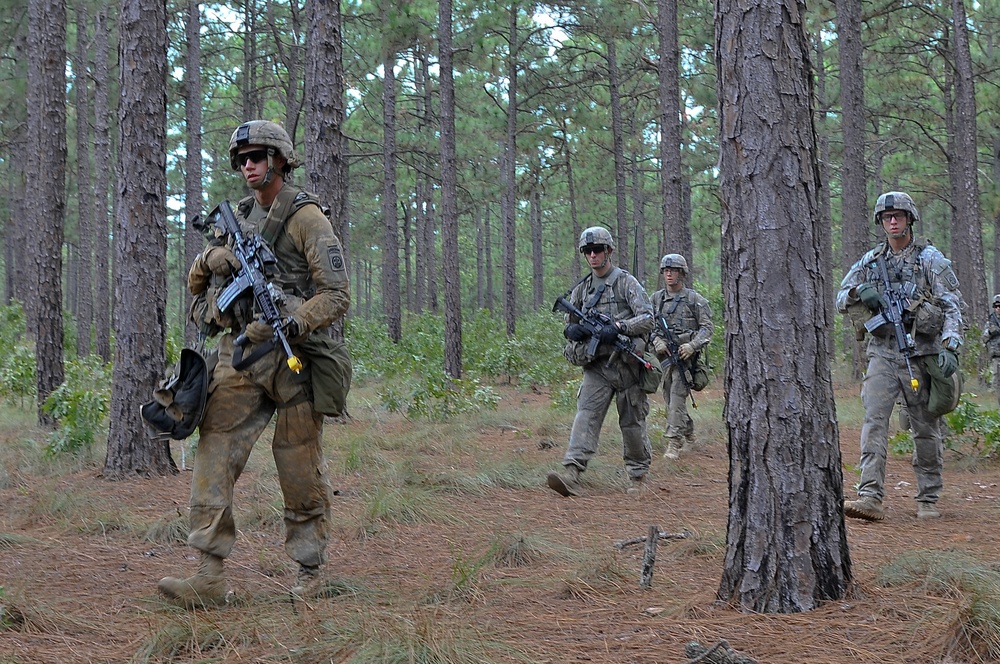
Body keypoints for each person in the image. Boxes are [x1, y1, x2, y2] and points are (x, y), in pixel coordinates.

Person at [158, 120, 351, 607]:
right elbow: (198, 286)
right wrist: (212, 260)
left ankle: (310, 571)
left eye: (258, 157)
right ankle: (207, 574)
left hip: (294, 358)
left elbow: (336, 295)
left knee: (299, 465)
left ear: (280, 159)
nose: (248, 166)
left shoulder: (308, 218)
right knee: (213, 453)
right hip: (240, 354)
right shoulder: (235, 218)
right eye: (242, 159)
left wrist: (294, 323)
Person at [837, 191, 962, 522]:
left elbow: (951, 304)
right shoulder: (870, 261)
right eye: (887, 216)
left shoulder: (930, 260)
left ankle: (928, 497)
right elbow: (840, 297)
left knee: (925, 427)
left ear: (910, 219)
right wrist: (857, 291)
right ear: (880, 222)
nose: (893, 221)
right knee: (874, 421)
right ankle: (869, 496)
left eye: (899, 216)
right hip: (881, 354)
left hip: (920, 354)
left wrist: (950, 344)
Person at [547, 227, 654, 497]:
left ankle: (638, 477)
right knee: (586, 416)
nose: (592, 255)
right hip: (597, 366)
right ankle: (571, 473)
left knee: (632, 423)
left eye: (597, 250)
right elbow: (569, 323)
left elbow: (647, 318)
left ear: (609, 251)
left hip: (628, 364)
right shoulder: (582, 289)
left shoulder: (626, 283)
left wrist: (619, 327)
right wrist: (573, 331)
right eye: (587, 251)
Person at [649, 254, 714, 459]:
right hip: (664, 359)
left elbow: (707, 328)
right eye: (666, 270)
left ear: (682, 273)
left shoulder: (695, 300)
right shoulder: (655, 300)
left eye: (674, 270)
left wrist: (692, 346)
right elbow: (646, 326)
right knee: (669, 399)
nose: (669, 274)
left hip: (686, 360)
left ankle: (674, 443)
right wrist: (656, 341)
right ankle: (689, 432)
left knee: (677, 395)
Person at [983, 294, 1000, 406]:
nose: (998, 308)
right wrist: (990, 332)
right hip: (996, 358)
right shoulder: (991, 322)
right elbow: (983, 339)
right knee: (998, 384)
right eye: (996, 306)